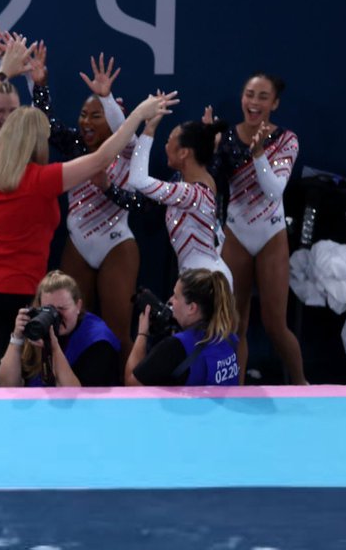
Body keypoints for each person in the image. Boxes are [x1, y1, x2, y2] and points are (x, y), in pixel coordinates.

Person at [0, 35, 177, 385]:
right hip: (15, 289)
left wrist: (3, 74)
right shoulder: (41, 179)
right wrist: (138, 114)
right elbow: (102, 159)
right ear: (36, 143)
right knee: (9, 356)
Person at [36, 52, 151, 367]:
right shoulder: (76, 145)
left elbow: (142, 204)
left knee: (117, 330)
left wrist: (108, 98)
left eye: (95, 116)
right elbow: (45, 125)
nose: (85, 122)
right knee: (66, 326)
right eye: (84, 115)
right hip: (78, 242)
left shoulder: (129, 150)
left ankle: (128, 393)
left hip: (117, 244)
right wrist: (39, 86)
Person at [205, 73, 308, 384]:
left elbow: (274, 190)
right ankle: (235, 390)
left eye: (263, 96)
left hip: (271, 235)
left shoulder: (287, 140)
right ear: (242, 98)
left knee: (275, 325)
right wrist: (208, 147)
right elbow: (209, 184)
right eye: (250, 94)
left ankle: (304, 385)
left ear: (274, 103)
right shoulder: (226, 137)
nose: (254, 102)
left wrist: (259, 152)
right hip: (236, 232)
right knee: (235, 324)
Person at [126, 105, 234, 288]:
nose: (165, 146)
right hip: (201, 277)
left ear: (184, 153)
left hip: (205, 282)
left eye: (169, 141)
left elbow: (137, 179)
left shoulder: (191, 194)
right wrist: (207, 138)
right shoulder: (203, 181)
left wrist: (149, 129)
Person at [0, 270, 120, 387]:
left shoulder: (98, 342)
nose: (56, 316)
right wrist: (17, 338)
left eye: (62, 309)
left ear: (78, 306)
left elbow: (76, 397)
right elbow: (7, 386)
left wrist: (53, 348)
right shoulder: (35, 326)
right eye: (49, 309)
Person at [125, 268, 240, 386]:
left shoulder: (175, 347)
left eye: (175, 296)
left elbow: (132, 385)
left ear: (191, 308)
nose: (170, 300)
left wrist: (142, 334)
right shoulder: (229, 338)